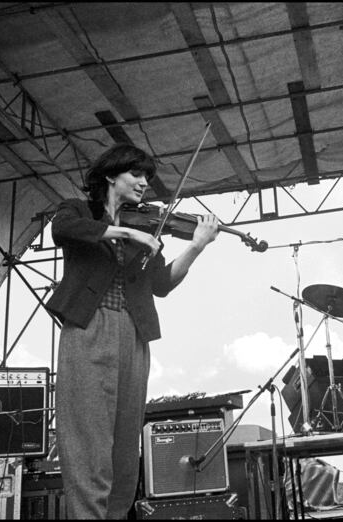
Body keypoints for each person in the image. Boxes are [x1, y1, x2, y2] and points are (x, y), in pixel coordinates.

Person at [45, 143, 219, 519]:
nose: (144, 183)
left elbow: (161, 284)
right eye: (136, 174)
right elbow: (63, 229)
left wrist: (195, 248)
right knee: (89, 442)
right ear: (111, 175)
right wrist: (124, 233)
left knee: (126, 450)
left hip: (134, 333)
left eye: (147, 178)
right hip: (90, 327)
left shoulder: (147, 224)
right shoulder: (78, 210)